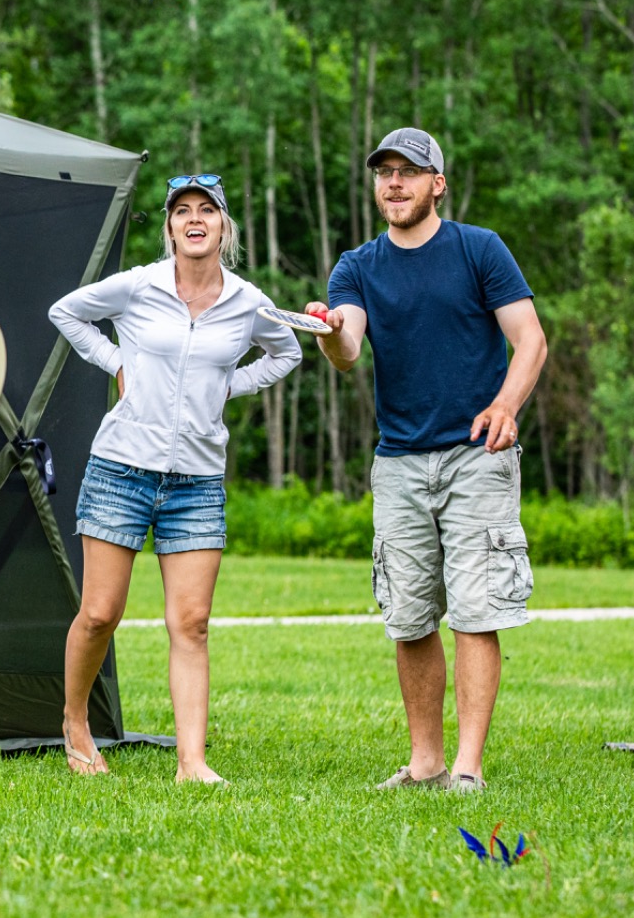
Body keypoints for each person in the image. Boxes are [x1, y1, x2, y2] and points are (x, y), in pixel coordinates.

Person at [310, 127, 547, 794]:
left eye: (408, 172)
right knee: (409, 616)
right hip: (400, 466)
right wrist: (329, 333)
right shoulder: (357, 266)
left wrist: (506, 404)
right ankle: (425, 764)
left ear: (436, 183)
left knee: (475, 610)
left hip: (477, 457)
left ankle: (467, 769)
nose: (394, 183)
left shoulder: (480, 249)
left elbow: (528, 339)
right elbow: (350, 346)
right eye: (384, 172)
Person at [49, 174, 302, 783]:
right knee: (101, 613)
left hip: (196, 482)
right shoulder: (139, 286)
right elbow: (67, 312)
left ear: (223, 227)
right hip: (121, 469)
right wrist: (117, 363)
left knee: (191, 623)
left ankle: (192, 762)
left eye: (207, 210)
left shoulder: (246, 301)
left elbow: (287, 352)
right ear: (169, 228)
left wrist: (226, 388)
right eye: (182, 211)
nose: (195, 219)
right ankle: (74, 722)